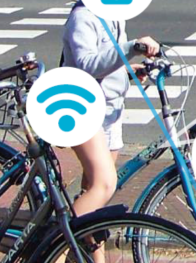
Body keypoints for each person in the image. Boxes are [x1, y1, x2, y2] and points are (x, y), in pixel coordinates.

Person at [61, 1, 158, 261]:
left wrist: (127, 72)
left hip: (111, 110)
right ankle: (51, 251)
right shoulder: (83, 17)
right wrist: (131, 49)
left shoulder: (114, 16)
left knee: (95, 195)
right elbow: (86, 65)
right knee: (104, 185)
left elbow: (108, 59)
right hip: (84, 110)